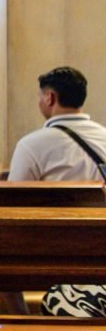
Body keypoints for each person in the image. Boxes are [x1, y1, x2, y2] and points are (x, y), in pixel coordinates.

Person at [7, 66, 106, 317]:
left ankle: (22, 322)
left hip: (54, 250)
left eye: (40, 96)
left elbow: (11, 206)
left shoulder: (31, 145)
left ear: (50, 98)